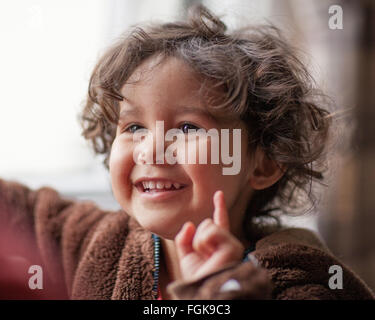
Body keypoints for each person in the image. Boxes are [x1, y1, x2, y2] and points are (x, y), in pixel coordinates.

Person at [0, 4, 374, 300]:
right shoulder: (92, 240)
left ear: (265, 161)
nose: (152, 151)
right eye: (133, 127)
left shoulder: (304, 282)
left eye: (188, 128)